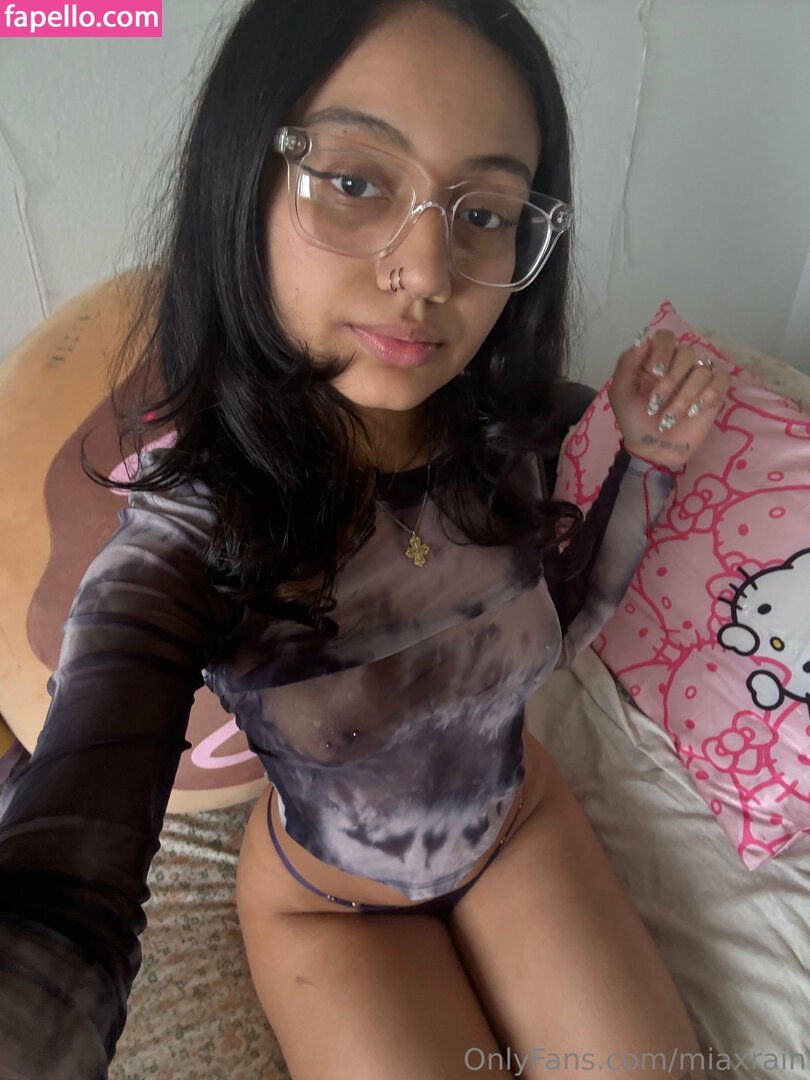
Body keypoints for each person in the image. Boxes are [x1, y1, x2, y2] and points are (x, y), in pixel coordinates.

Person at [0, 0, 731, 1077]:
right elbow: (69, 872)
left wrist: (648, 461)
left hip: (517, 824)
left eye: (484, 212)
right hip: (330, 907)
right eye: (353, 182)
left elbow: (564, 620)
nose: (429, 271)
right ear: (242, 182)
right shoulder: (194, 527)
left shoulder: (519, 432)